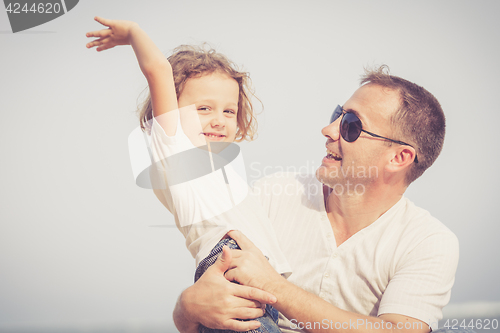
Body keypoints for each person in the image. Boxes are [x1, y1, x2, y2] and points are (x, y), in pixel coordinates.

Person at [174, 67, 475, 333]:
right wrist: (187, 309)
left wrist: (275, 287)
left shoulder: (428, 242)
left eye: (351, 126)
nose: (328, 130)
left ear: (399, 157)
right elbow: (215, 312)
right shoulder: (273, 193)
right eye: (337, 116)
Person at [85, 17, 291, 333]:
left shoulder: (223, 171)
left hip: (261, 286)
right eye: (203, 108)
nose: (219, 120)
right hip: (229, 272)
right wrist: (134, 34)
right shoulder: (176, 152)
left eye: (228, 111)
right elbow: (159, 70)